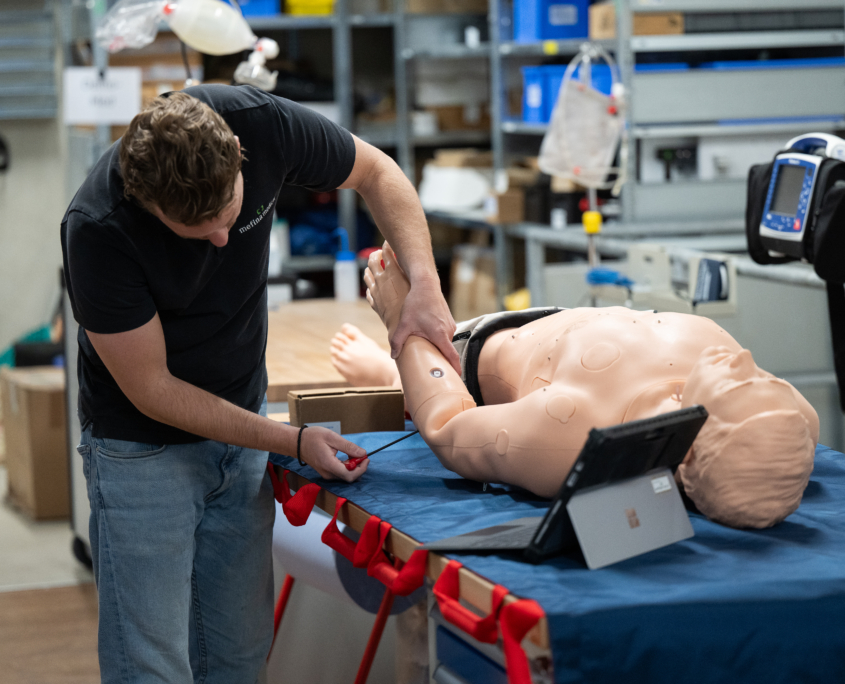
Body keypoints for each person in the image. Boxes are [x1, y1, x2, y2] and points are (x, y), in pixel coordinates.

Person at [60, 85, 457, 684]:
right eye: (197, 231)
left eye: (229, 216)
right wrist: (289, 441)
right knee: (152, 668)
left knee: (239, 657)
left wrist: (424, 281)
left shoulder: (260, 123)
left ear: (240, 154)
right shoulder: (98, 229)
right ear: (146, 204)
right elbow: (153, 390)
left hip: (239, 425)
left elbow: (377, 170)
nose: (223, 242)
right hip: (140, 451)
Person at [329, 243, 820, 530]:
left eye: (744, 383)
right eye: (763, 378)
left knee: (409, 375)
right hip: (573, 322)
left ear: (692, 445)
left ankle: (386, 378)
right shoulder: (784, 414)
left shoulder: (571, 430)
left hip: (474, 355)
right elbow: (801, 427)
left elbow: (448, 425)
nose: (748, 362)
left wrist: (401, 324)